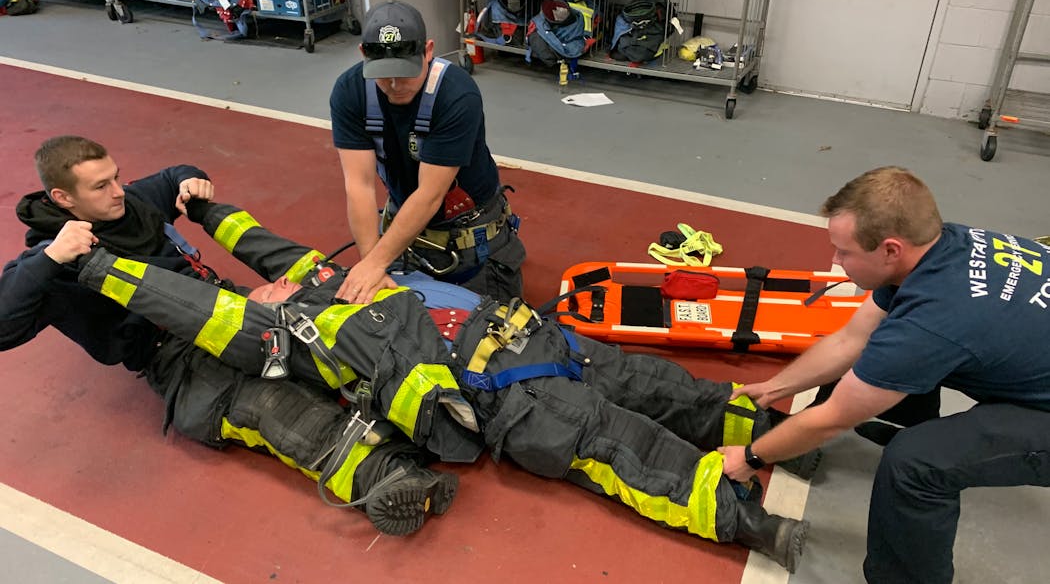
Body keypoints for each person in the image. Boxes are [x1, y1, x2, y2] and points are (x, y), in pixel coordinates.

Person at [78, 197, 822, 573]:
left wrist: (204, 207)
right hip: (509, 399)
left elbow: (265, 243)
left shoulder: (331, 281)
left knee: (660, 383)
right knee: (618, 443)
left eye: (276, 282)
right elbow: (196, 307)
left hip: (531, 338)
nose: (272, 285)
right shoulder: (292, 334)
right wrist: (99, 269)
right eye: (263, 291)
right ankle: (745, 520)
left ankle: (761, 433)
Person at [0, 135, 461, 538]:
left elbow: (175, 175)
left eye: (116, 177)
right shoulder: (54, 263)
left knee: (338, 342)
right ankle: (388, 477)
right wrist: (51, 258)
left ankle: (418, 427)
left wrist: (191, 180)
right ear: (63, 198)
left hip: (231, 308)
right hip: (179, 355)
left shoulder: (129, 203)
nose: (118, 191)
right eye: (101, 186)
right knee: (272, 403)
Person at [719, 166, 1050, 583]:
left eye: (844, 251)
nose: (835, 262)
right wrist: (774, 387)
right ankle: (911, 418)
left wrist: (751, 458)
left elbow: (834, 417)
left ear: (890, 249)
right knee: (886, 356)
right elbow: (851, 340)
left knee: (915, 463)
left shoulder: (934, 318)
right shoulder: (941, 246)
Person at [329, 0, 526, 305]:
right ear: (364, 55)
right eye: (384, 74)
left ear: (429, 51)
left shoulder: (456, 94)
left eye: (405, 72)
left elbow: (430, 195)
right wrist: (372, 264)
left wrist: (377, 264)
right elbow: (360, 186)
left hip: (467, 232)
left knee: (487, 332)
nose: (394, 85)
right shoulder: (350, 91)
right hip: (405, 228)